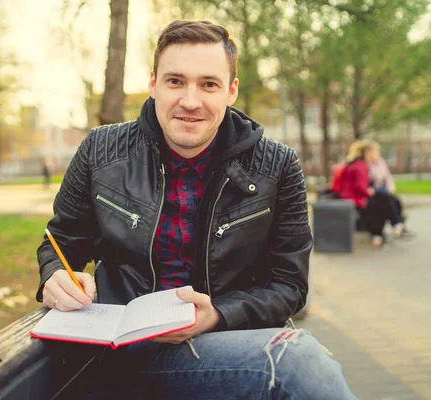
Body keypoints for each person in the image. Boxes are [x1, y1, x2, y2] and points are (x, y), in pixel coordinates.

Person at [36, 20, 356, 399]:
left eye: (209, 84)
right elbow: (61, 242)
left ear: (231, 91)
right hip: (123, 345)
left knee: (296, 360)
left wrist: (217, 314)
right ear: (153, 83)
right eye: (175, 81)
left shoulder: (278, 165)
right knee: (299, 360)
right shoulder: (100, 150)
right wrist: (56, 276)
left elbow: (290, 284)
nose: (191, 100)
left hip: (228, 342)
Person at [338, 140, 403, 247]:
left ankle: (380, 234)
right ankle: (394, 225)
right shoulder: (360, 165)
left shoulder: (359, 163)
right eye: (376, 151)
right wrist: (371, 191)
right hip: (355, 199)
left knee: (386, 200)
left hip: (353, 197)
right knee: (384, 202)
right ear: (368, 152)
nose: (378, 153)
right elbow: (361, 187)